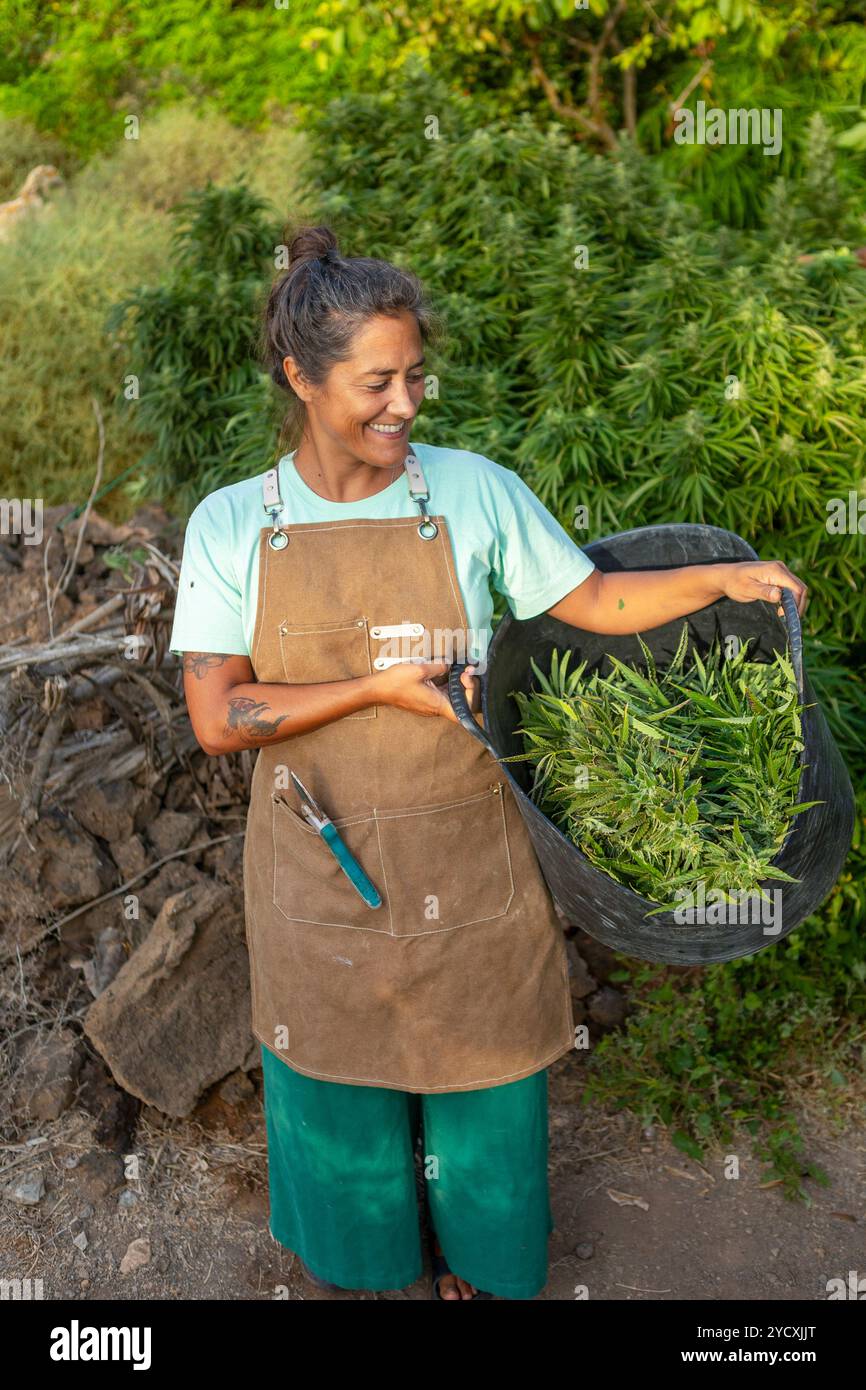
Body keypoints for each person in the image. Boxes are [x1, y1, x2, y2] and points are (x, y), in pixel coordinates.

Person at [169, 225, 807, 1300]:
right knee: (337, 1084)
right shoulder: (234, 524)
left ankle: (477, 1263)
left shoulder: (470, 491)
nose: (406, 403)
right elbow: (221, 715)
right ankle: (365, 1264)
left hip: (464, 844)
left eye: (415, 374)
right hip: (316, 859)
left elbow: (589, 600)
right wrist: (373, 687)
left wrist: (720, 578)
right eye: (377, 380)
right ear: (301, 377)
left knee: (482, 1081)